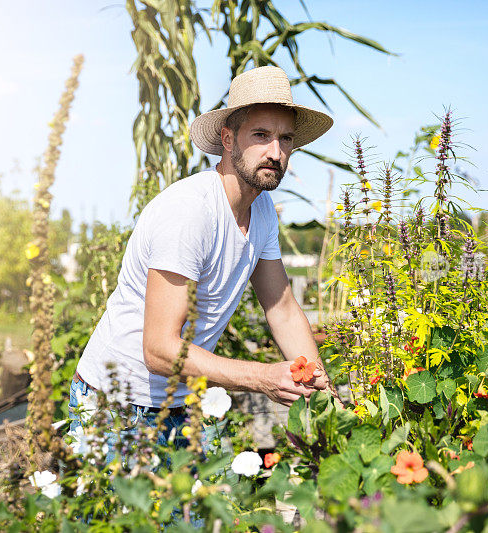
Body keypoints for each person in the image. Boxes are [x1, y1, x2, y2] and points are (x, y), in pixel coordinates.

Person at [69, 65, 333, 446]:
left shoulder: (260, 212)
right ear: (228, 139)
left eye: (285, 139)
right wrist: (263, 377)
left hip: (178, 405)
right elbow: (159, 349)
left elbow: (284, 310)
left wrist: (320, 400)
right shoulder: (190, 212)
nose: (276, 153)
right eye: (261, 135)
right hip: (115, 406)